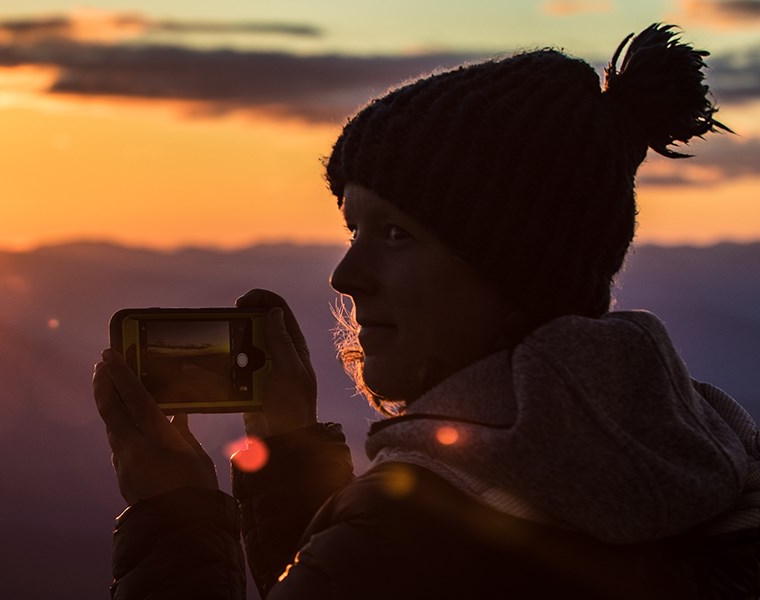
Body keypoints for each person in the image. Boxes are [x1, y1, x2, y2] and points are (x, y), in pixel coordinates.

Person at [92, 23, 760, 599]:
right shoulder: (717, 462)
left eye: (395, 234)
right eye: (354, 229)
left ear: (513, 266)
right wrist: (290, 455)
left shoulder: (414, 533)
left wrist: (171, 510)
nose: (346, 275)